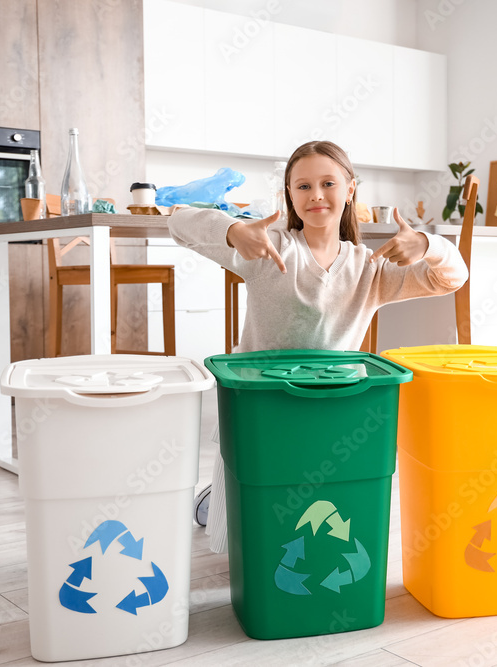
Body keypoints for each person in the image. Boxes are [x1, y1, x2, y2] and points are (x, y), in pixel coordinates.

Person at [168, 140, 469, 550]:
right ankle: (216, 496)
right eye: (303, 186)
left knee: (313, 507)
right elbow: (179, 220)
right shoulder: (268, 248)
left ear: (350, 190)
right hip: (263, 405)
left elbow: (451, 278)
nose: (316, 195)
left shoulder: (370, 267)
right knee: (256, 521)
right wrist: (233, 229)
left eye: (328, 183)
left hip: (332, 408)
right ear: (289, 196)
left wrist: (429, 246)